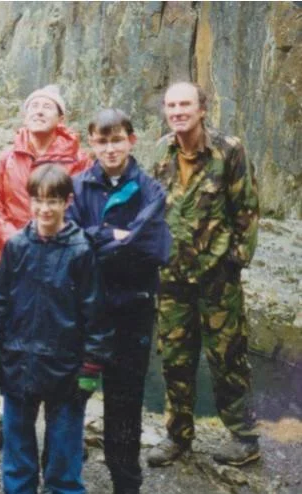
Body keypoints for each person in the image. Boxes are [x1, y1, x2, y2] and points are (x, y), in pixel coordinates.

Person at [147, 82, 261, 467]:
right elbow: (153, 208)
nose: (178, 111)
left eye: (185, 104)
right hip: (171, 279)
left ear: (201, 109)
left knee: (228, 359)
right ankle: (178, 436)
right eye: (171, 105)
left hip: (217, 280)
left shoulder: (229, 150)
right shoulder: (161, 151)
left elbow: (247, 209)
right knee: (175, 359)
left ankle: (244, 438)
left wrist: (234, 263)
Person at [0, 165, 112, 494]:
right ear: (29, 201)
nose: (44, 209)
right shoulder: (16, 246)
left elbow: (95, 313)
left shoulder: (81, 251)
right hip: (19, 362)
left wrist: (91, 365)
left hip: (65, 366)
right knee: (17, 453)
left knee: (64, 455)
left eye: (53, 201)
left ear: (67, 202)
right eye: (38, 200)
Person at [0, 84, 90, 455]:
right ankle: (6, 421)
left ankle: (65, 429)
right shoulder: (8, 158)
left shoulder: (78, 160)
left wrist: (59, 241)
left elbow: (83, 206)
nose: (39, 111)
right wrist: (15, 239)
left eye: (47, 106)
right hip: (16, 262)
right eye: (33, 106)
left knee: (62, 333)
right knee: (13, 337)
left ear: (61, 117)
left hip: (62, 262)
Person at [67, 109, 171, 494]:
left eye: (117, 140)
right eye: (102, 141)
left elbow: (153, 248)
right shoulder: (77, 187)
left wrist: (98, 240)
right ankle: (63, 477)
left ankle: (126, 483)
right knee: (72, 393)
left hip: (133, 309)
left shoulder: (151, 190)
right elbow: (71, 242)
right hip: (85, 309)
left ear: (131, 140)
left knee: (125, 401)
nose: (110, 149)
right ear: (91, 144)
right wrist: (116, 236)